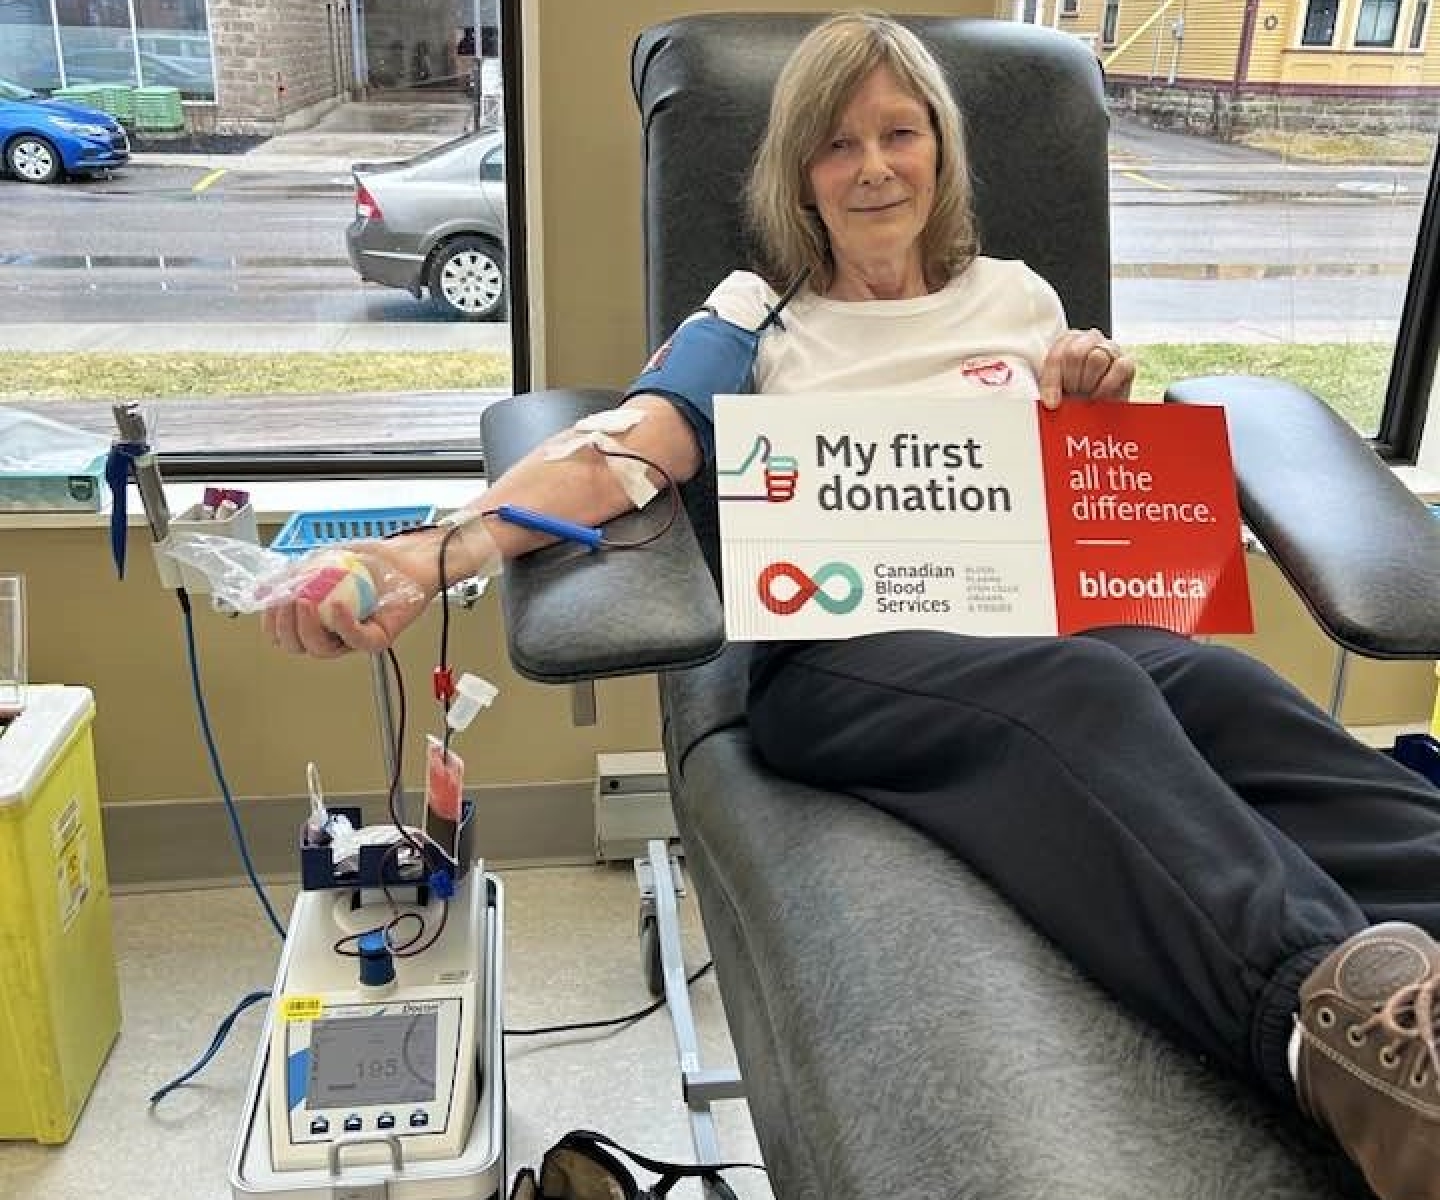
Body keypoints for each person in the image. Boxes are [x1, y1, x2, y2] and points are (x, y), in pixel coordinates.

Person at [266, 14, 1440, 1198]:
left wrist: (1096, 414)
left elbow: (1089, 514)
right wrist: (432, 551)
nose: (875, 166)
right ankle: (1334, 1034)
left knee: (1229, 689)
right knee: (1083, 692)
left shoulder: (1022, 300)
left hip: (1043, 620)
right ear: (799, 176)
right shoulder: (755, 318)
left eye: (901, 133)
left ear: (942, 151)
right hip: (845, 659)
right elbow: (622, 452)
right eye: (838, 145)